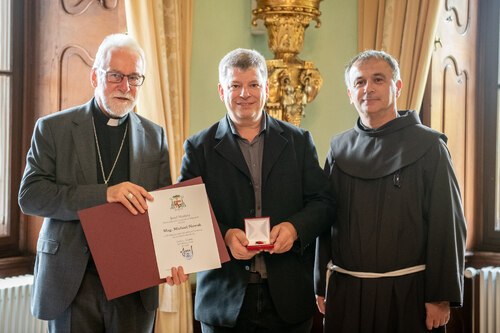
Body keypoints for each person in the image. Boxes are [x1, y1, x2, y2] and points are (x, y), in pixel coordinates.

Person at [18, 33, 188, 333]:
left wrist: (173, 259)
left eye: (134, 78)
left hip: (134, 283)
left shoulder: (154, 135)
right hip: (73, 280)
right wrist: (105, 194)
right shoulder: (53, 129)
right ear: (95, 76)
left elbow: (162, 210)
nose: (125, 87)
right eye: (116, 76)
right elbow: (31, 196)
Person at [178, 48, 333, 332]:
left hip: (289, 298)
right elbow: (186, 216)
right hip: (223, 299)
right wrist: (224, 235)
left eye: (253, 85)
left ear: (267, 88)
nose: (244, 94)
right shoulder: (198, 148)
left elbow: (323, 203)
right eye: (235, 85)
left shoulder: (299, 142)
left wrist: (294, 228)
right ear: (221, 90)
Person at [314, 50, 467, 333]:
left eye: (378, 79)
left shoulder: (430, 147)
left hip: (410, 294)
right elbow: (326, 220)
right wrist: (321, 283)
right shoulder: (339, 149)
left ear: (397, 86)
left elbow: (448, 225)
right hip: (347, 291)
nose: (368, 89)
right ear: (350, 93)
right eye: (359, 82)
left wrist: (440, 296)